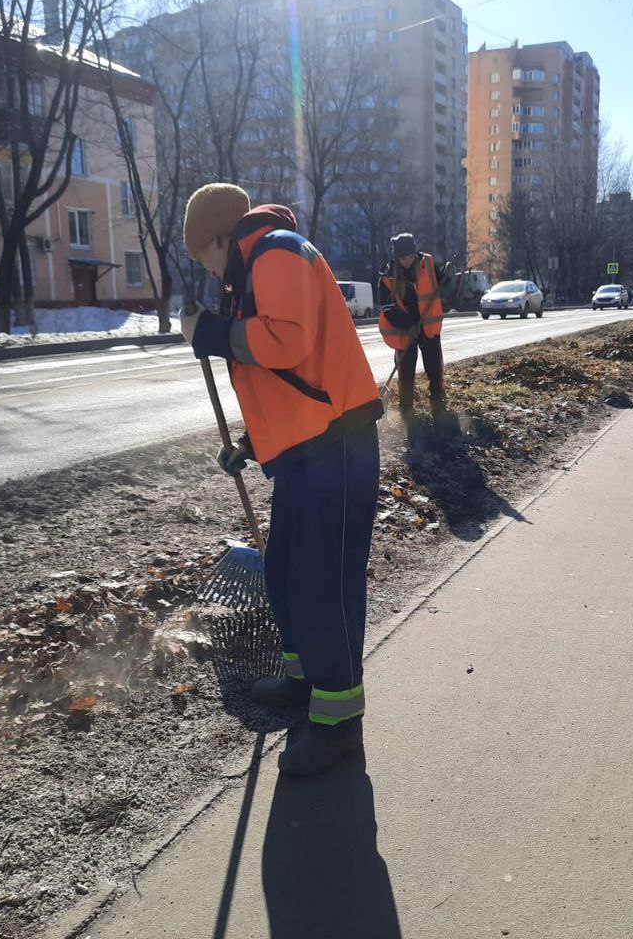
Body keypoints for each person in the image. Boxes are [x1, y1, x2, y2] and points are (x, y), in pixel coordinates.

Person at [179, 183, 382, 777]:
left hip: (336, 444)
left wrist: (211, 334)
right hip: (303, 450)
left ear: (219, 238)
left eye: (203, 256)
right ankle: (302, 679)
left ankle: (338, 721)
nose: (207, 269)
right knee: (286, 570)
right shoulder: (251, 272)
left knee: (325, 583)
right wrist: (250, 444)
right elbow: (279, 384)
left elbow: (285, 343)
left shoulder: (276, 251)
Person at [377, 233, 447, 424]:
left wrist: (447, 277)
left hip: (428, 327)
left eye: (410, 257)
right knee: (406, 370)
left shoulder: (428, 264)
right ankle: (406, 410)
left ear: (415, 253)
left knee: (434, 367)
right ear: (396, 257)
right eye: (403, 258)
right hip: (405, 330)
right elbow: (388, 308)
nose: (407, 261)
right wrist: (408, 324)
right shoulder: (388, 276)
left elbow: (440, 283)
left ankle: (439, 404)